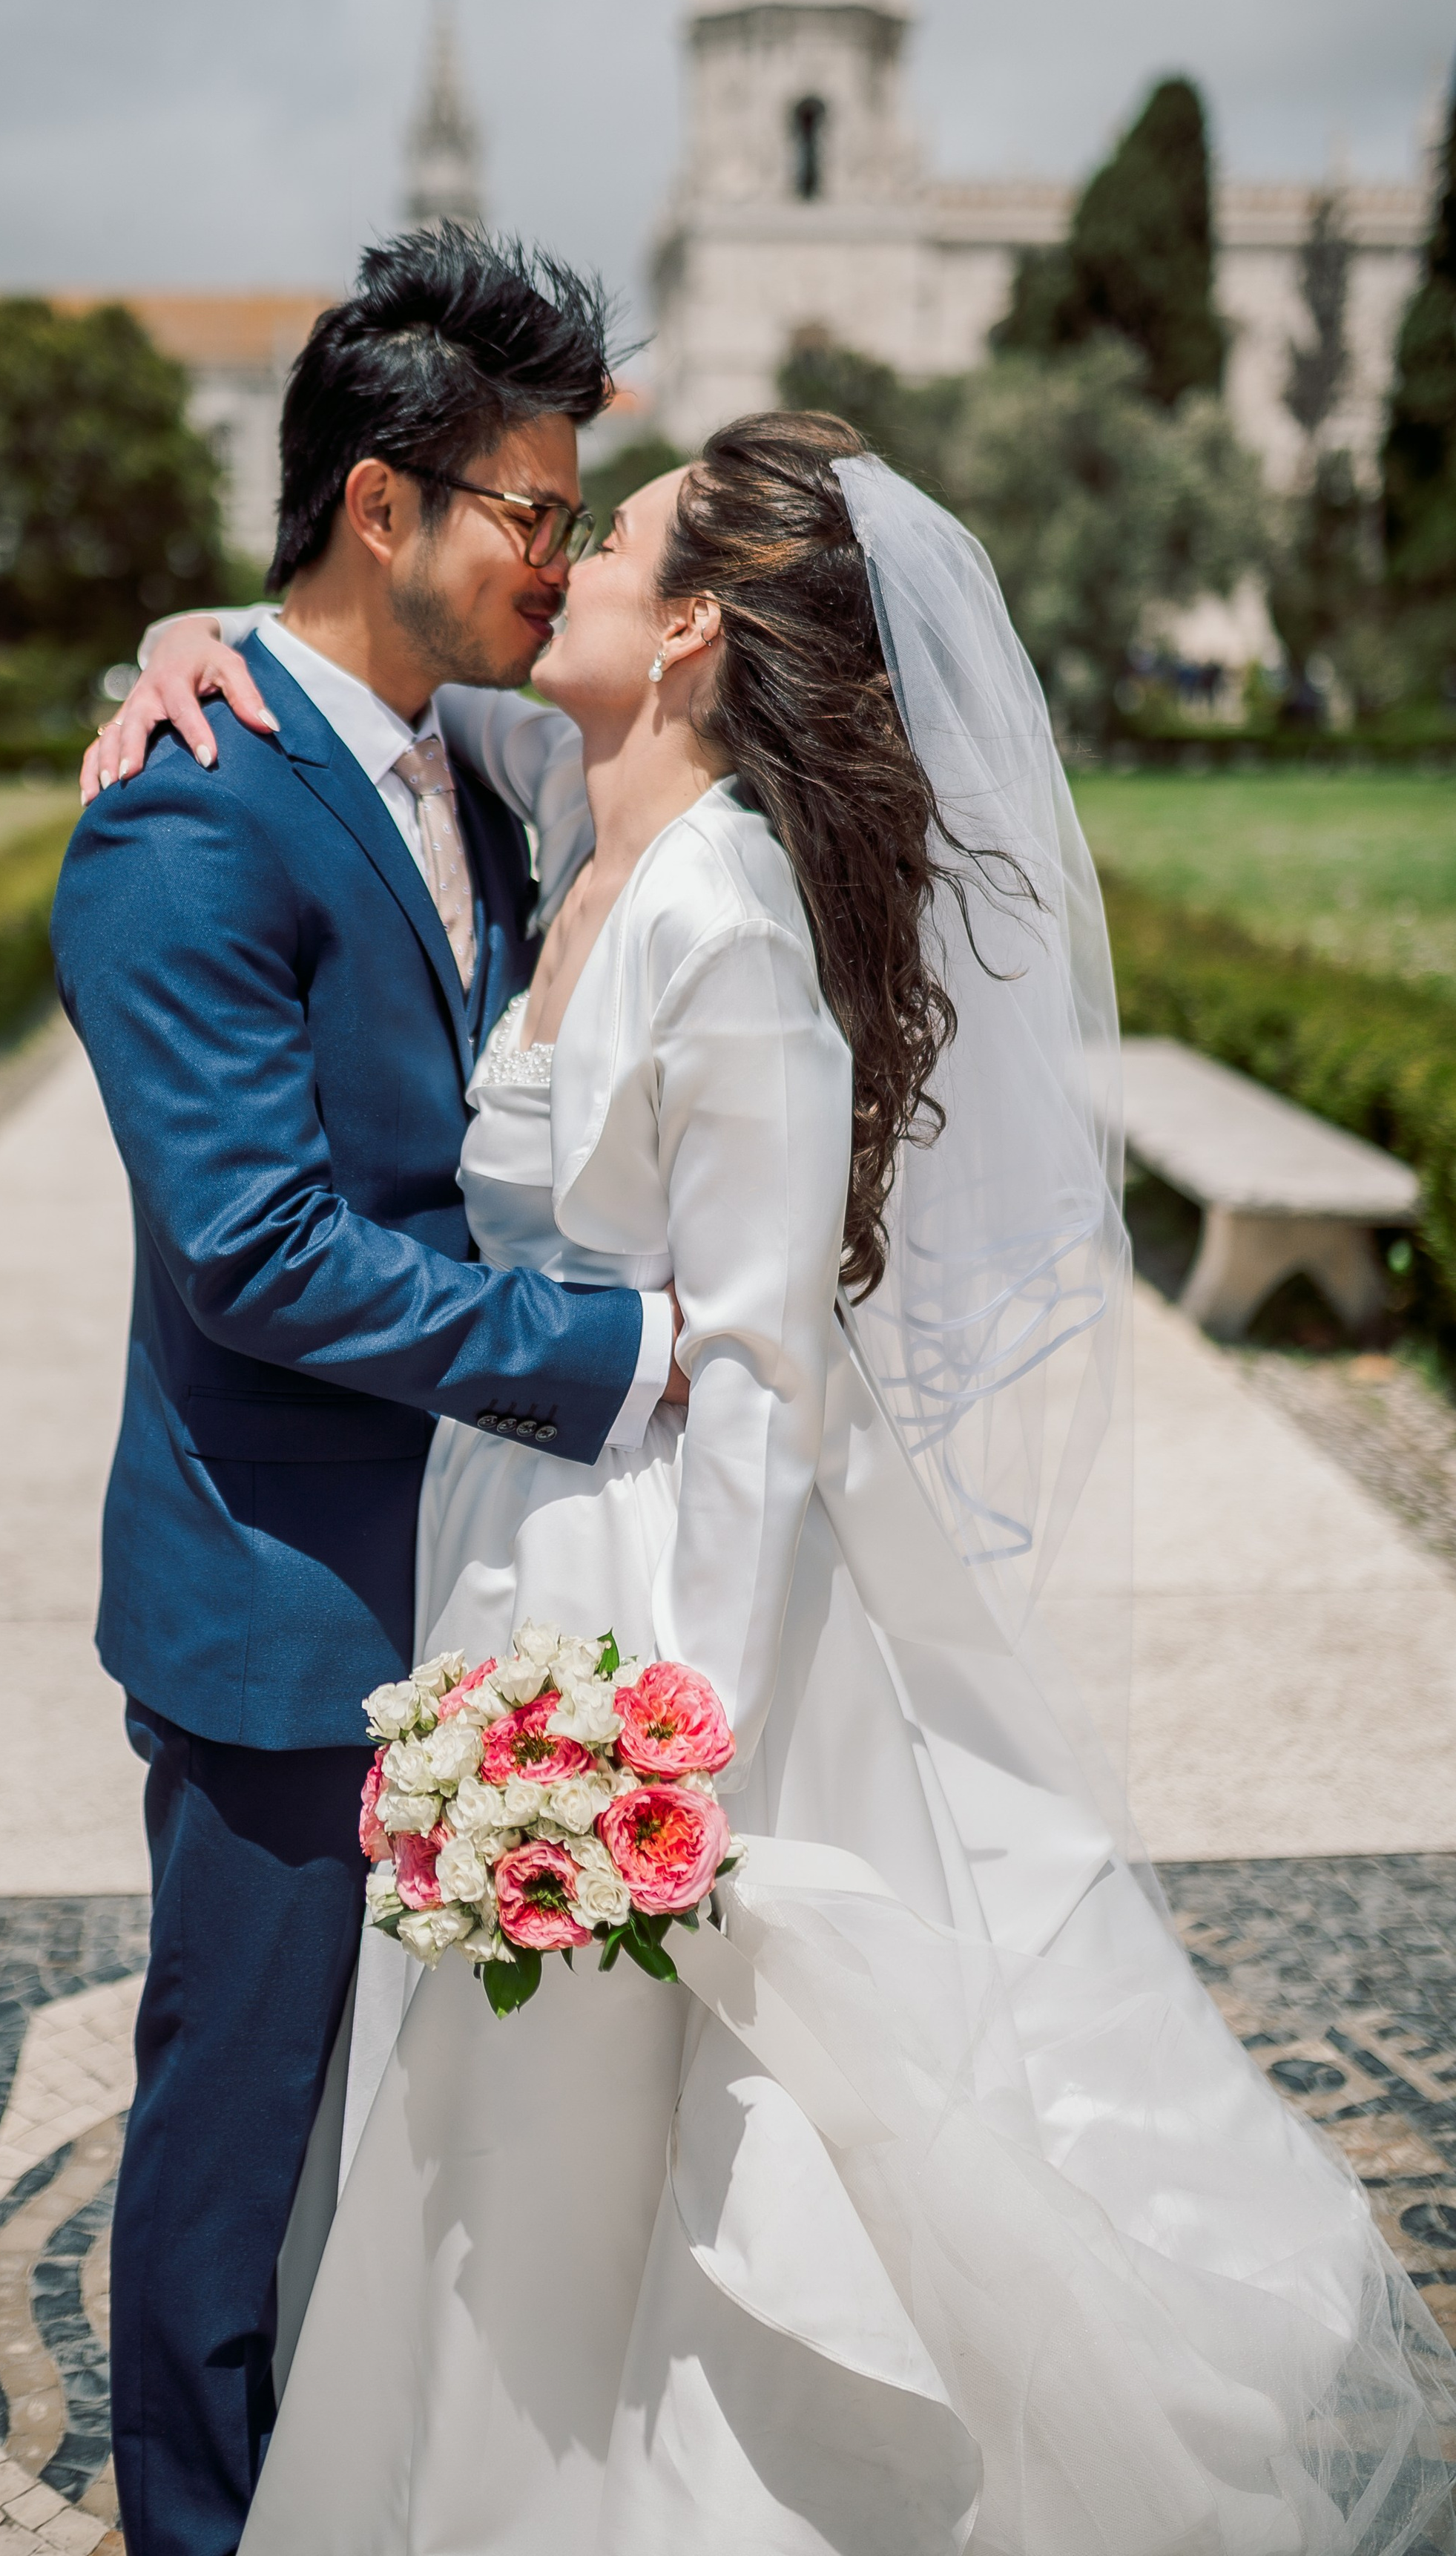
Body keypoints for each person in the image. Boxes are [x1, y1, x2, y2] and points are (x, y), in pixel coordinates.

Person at [94, 414, 1456, 2552]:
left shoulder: (724, 913)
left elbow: (758, 1383)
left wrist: (673, 1755)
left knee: (645, 2108)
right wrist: (185, 639)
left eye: (604, 536)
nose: (558, 562)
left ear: (693, 628)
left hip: (651, 1591)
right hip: (502, 1537)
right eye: (546, 517)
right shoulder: (561, 800)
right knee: (470, 2103)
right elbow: (348, 682)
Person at [50, 229, 687, 2556]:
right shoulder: (186, 808)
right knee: (239, 2115)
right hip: (281, 1598)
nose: (559, 559)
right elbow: (253, 1251)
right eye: (532, 509)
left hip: (472, 1570)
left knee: (396, 2129)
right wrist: (612, 1359)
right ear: (381, 507)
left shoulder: (475, 757)